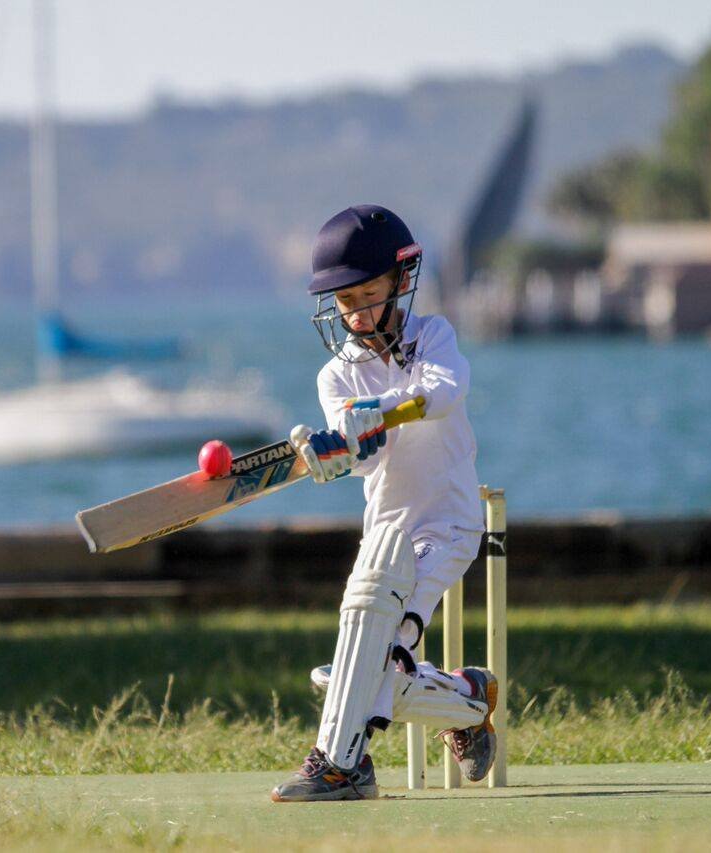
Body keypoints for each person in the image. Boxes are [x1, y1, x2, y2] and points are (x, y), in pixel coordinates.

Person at [271, 205, 496, 802]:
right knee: (380, 662)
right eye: (345, 301)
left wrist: (381, 411)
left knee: (382, 649)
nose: (357, 313)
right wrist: (336, 454)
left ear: (400, 282)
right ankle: (468, 700)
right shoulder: (335, 378)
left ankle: (342, 765)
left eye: (369, 295)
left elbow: (443, 393)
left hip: (448, 526)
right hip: (384, 536)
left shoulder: (434, 336)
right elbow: (366, 461)